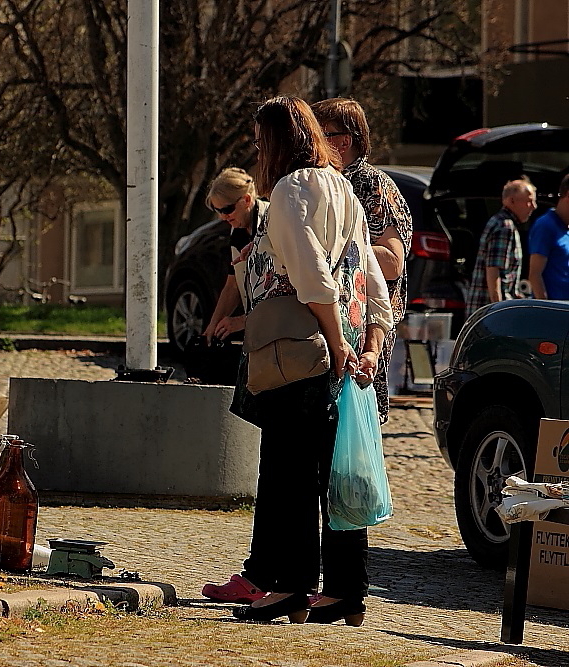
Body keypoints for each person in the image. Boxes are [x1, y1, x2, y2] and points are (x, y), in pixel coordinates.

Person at [214, 96, 391, 626]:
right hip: (344, 347)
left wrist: (337, 341)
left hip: (302, 350)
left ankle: (290, 586)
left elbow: (311, 273)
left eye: (258, 139)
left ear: (275, 141)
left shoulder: (291, 189)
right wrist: (373, 343)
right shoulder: (343, 188)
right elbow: (370, 276)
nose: (255, 149)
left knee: (289, 472)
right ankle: (344, 591)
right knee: (337, 471)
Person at [311, 98, 412, 425]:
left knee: (351, 425)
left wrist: (333, 248)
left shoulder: (369, 183)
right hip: (338, 320)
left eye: (318, 133)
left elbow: (393, 262)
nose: (310, 141)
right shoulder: (325, 181)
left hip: (366, 325)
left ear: (343, 141)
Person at [202, 167, 269, 344]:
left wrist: (243, 321)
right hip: (258, 329)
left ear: (246, 200)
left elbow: (281, 291)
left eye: (227, 210)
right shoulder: (237, 230)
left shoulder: (271, 222)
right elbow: (232, 286)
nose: (223, 217)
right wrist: (213, 326)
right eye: (217, 210)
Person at [465, 179, 537, 317]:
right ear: (511, 201)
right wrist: (497, 311)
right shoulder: (505, 226)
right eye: (529, 201)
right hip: (487, 315)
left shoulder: (502, 223)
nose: (533, 206)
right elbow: (493, 272)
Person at [528, 174, 569, 301]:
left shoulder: (565, 228)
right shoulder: (546, 226)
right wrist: (546, 310)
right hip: (555, 313)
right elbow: (535, 275)